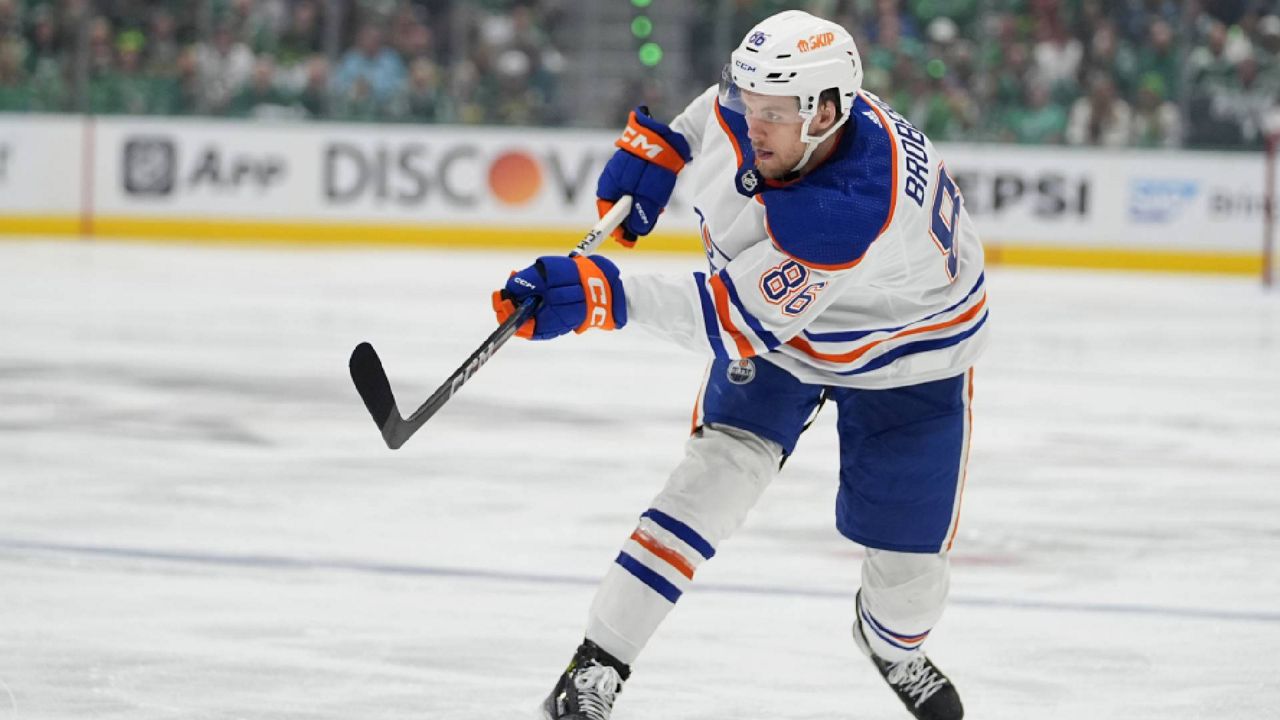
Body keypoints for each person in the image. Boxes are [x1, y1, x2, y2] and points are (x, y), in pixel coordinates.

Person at [492, 10, 988, 720]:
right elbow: (714, 111)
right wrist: (671, 144)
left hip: (909, 355)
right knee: (704, 491)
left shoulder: (850, 205)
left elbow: (736, 321)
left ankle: (892, 646)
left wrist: (606, 293)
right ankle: (596, 662)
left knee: (909, 587)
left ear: (826, 113)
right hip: (787, 337)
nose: (752, 127)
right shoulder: (769, 110)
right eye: (749, 102)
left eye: (774, 114)